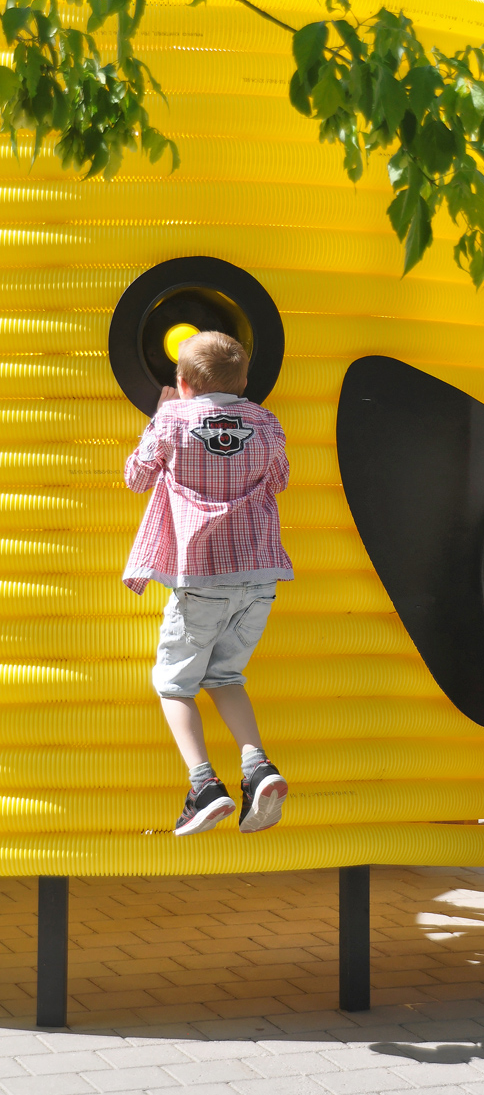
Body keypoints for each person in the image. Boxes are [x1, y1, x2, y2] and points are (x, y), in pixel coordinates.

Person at [123, 331, 294, 837]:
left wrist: (159, 417)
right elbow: (280, 478)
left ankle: (204, 785)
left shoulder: (173, 419)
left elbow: (136, 477)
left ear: (181, 383)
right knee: (226, 677)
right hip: (260, 576)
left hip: (201, 578)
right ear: (244, 382)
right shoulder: (265, 421)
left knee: (175, 684)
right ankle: (257, 768)